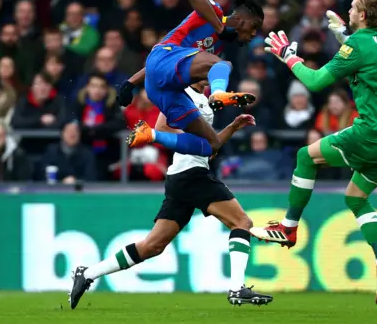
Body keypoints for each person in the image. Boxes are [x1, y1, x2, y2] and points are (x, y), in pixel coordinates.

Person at [251, 0, 377, 306]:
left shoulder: (357, 44)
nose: (349, 9)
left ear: (363, 15)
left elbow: (314, 82)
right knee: (355, 197)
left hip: (372, 133)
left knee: (305, 156)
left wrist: (289, 55)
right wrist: (343, 32)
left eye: (354, 7)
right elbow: (364, 51)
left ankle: (288, 228)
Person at [69, 81, 272, 309]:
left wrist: (233, 127)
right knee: (242, 222)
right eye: (205, 67)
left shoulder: (204, 100)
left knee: (153, 246)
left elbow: (209, 149)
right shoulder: (180, 95)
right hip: (191, 174)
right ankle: (236, 288)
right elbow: (162, 129)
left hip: (181, 177)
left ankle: (88, 273)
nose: (209, 71)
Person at [120, 0, 264, 158]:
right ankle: (218, 94)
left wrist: (130, 83)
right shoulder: (214, 12)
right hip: (164, 55)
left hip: (163, 87)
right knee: (224, 65)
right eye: (253, 26)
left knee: (213, 145)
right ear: (239, 19)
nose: (254, 33)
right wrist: (220, 28)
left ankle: (150, 134)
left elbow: (165, 68)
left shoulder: (215, 50)